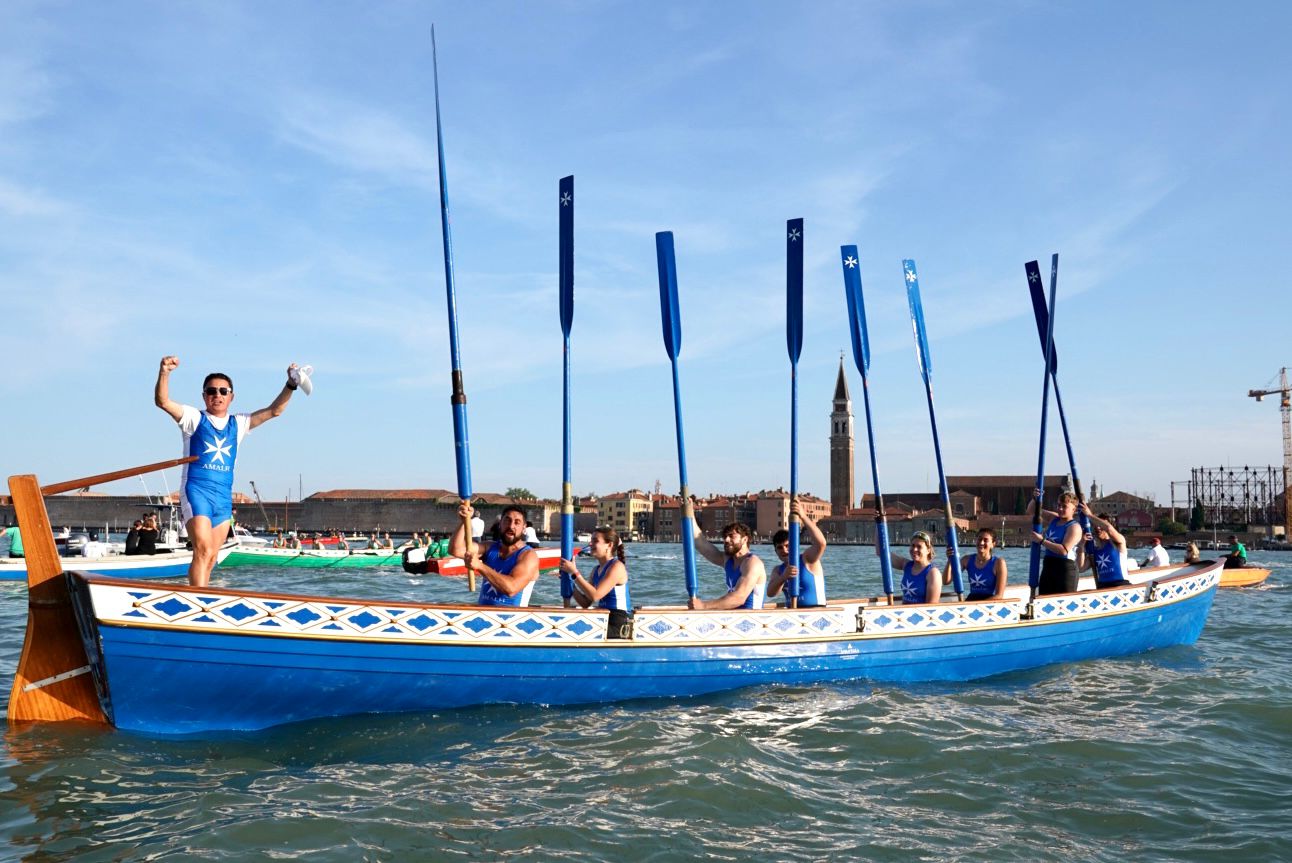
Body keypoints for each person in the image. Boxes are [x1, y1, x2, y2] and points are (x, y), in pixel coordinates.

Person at [155, 355, 298, 586]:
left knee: (212, 554)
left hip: (222, 496)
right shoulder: (193, 418)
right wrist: (165, 372)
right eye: (211, 391)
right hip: (196, 490)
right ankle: (199, 601)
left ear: (231, 396)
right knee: (202, 549)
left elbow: (275, 411)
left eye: (223, 391)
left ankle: (202, 595)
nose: (217, 395)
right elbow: (162, 401)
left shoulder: (238, 423)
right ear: (204, 396)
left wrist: (291, 384)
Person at [450, 502, 541, 607]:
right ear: (500, 523)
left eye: (517, 522)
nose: (511, 526)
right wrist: (464, 521)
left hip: (513, 619)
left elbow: (511, 589)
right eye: (507, 520)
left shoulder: (528, 556)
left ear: (524, 528)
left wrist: (480, 566)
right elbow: (456, 550)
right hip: (483, 615)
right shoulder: (489, 547)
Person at [560, 526, 632, 638]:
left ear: (609, 545)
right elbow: (585, 603)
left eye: (595, 541)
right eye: (591, 540)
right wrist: (569, 582)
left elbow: (595, 596)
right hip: (603, 618)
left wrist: (574, 572)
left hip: (618, 622)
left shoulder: (617, 567)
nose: (590, 544)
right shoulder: (595, 570)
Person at [764, 501, 828, 607]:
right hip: (792, 613)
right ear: (775, 551)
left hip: (815, 611)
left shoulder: (807, 559)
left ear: (794, 546)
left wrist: (803, 516)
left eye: (787, 546)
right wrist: (784, 577)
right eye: (779, 548)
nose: (784, 550)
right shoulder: (778, 570)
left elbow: (821, 544)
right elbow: (770, 593)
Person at [689, 522, 766, 610]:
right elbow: (700, 543)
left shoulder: (753, 563)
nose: (726, 540)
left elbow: (739, 598)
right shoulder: (727, 560)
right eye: (725, 536)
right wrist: (688, 511)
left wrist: (704, 605)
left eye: (731, 536)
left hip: (753, 619)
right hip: (733, 616)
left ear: (745, 539)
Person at [1027, 489, 1082, 595]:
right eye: (1059, 505)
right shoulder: (1054, 518)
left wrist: (1041, 540)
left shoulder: (1074, 527)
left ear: (1074, 509)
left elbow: (1063, 550)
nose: (1060, 509)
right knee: (1044, 598)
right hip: (1049, 565)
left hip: (1065, 569)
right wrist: (1035, 498)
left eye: (1064, 506)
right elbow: (1032, 511)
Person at [1076, 505, 1131, 589]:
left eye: (1100, 525)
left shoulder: (1119, 542)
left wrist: (1089, 515)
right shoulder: (1094, 549)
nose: (1098, 527)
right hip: (1102, 587)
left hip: (1120, 584)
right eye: (1096, 525)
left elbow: (1109, 529)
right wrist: (1081, 546)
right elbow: (1081, 568)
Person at [883, 531, 942, 604]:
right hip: (903, 613)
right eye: (913, 545)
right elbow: (881, 553)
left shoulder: (933, 574)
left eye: (919, 546)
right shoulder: (906, 565)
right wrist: (879, 522)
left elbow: (931, 608)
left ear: (928, 550)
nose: (914, 549)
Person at [958, 526, 1008, 601]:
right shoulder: (966, 560)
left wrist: (977, 605)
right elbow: (946, 581)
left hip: (989, 603)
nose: (981, 542)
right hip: (970, 601)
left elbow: (999, 596)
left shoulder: (999, 563)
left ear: (993, 544)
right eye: (979, 539)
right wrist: (950, 559)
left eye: (985, 540)